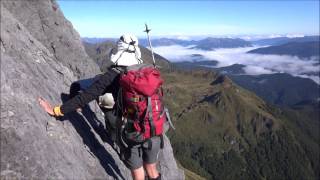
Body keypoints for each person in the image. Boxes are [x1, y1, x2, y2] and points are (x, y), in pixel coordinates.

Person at [39, 34, 161, 180]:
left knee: (138, 170)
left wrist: (56, 110)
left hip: (132, 131)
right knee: (151, 168)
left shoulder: (112, 76)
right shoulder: (147, 72)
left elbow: (85, 96)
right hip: (153, 126)